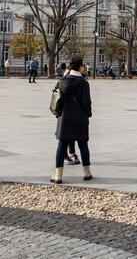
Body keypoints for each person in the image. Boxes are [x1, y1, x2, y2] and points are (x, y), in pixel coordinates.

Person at [50, 56, 92, 184]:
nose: (84, 67)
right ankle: (87, 172)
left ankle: (58, 175)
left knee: (62, 145)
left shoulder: (62, 81)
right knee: (83, 144)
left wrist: (58, 114)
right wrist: (88, 114)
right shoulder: (84, 83)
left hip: (65, 118)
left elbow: (57, 99)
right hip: (80, 118)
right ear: (80, 67)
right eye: (83, 65)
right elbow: (86, 103)